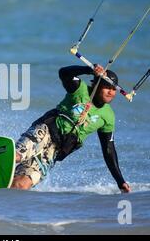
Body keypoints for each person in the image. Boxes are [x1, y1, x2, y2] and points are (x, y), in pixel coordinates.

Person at [11, 64, 131, 193]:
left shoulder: (108, 116)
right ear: (96, 84)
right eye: (106, 87)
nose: (110, 92)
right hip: (45, 132)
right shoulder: (80, 89)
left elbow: (108, 150)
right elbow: (64, 73)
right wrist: (89, 70)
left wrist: (120, 181)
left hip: (54, 152)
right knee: (16, 156)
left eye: (113, 89)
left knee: (21, 185)